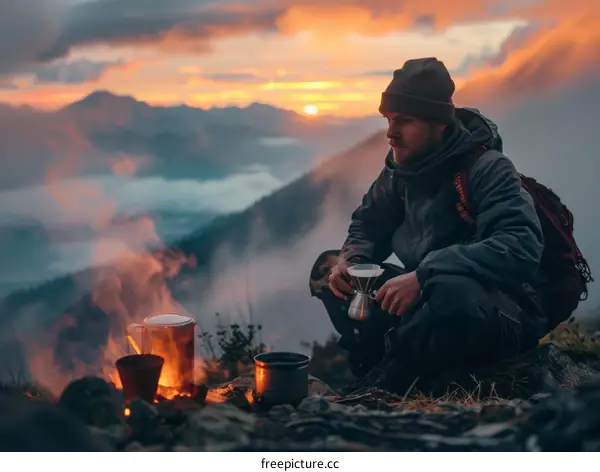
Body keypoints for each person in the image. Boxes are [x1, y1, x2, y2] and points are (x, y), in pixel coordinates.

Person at [309, 57, 549, 394]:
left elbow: (519, 246)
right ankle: (374, 358)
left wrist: (426, 275)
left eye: (404, 121)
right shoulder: (400, 173)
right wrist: (352, 260)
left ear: (438, 123)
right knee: (327, 267)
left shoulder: (487, 169)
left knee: (450, 294)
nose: (390, 133)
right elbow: (368, 223)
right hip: (425, 296)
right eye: (388, 120)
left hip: (497, 311)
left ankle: (387, 381)